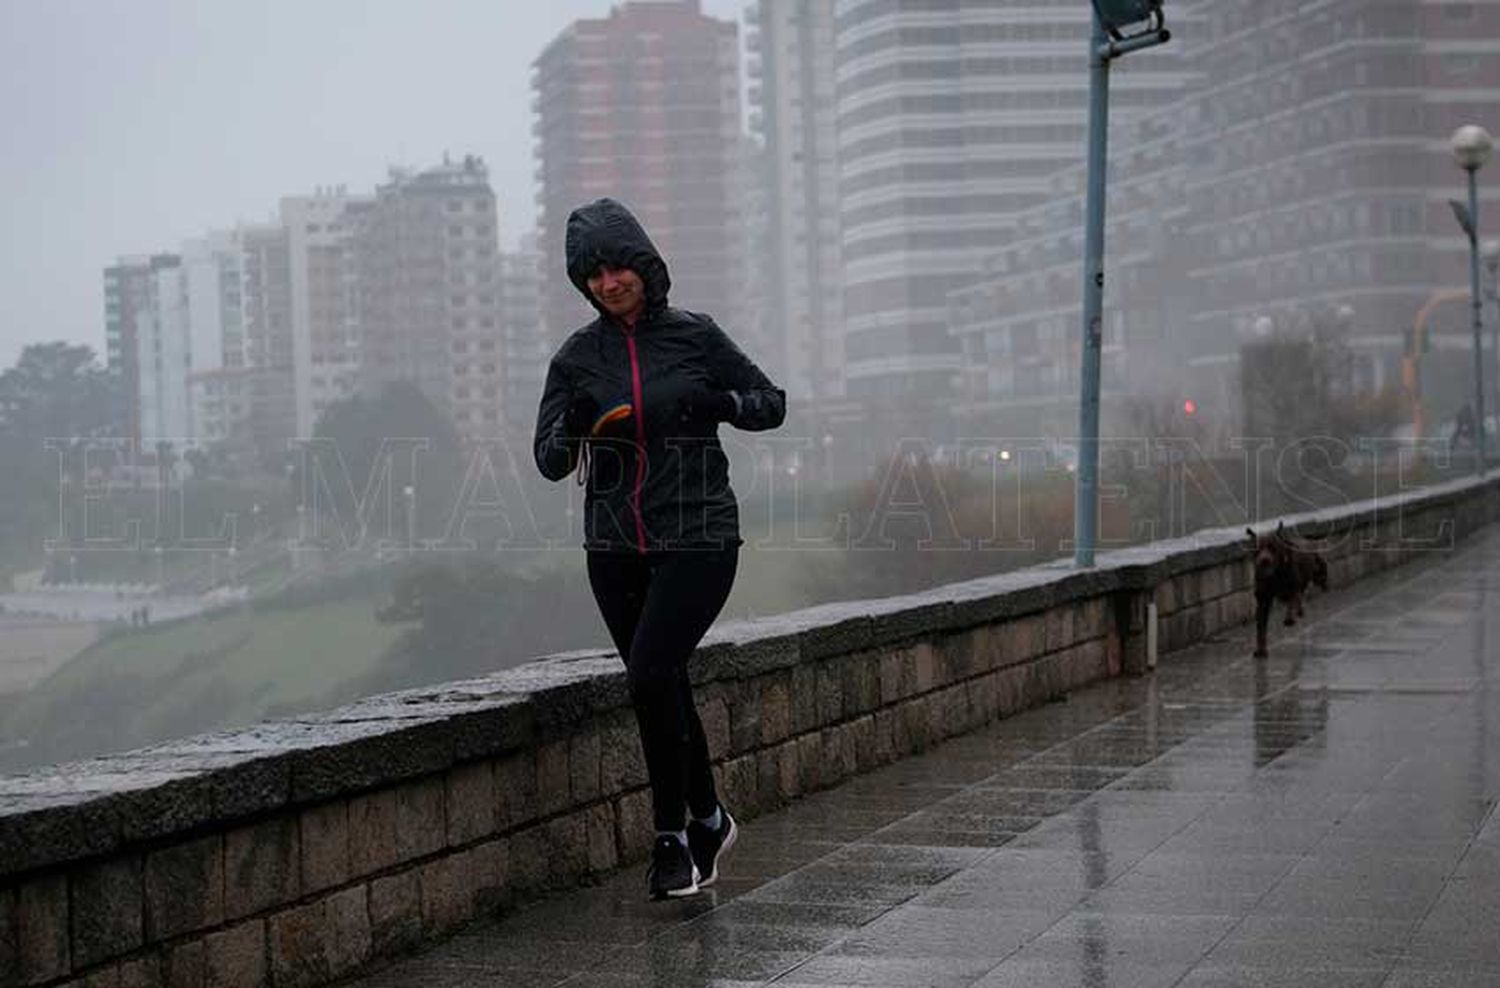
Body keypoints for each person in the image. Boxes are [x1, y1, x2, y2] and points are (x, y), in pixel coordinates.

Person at [533, 198, 786, 899]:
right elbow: (548, 459)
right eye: (593, 274)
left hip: (700, 536)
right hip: (613, 548)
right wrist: (578, 427)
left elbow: (770, 401)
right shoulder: (577, 359)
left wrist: (719, 405)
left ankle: (672, 835)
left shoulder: (695, 337)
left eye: (618, 267)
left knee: (648, 674)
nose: (609, 282)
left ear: (644, 264)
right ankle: (709, 819)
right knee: (664, 681)